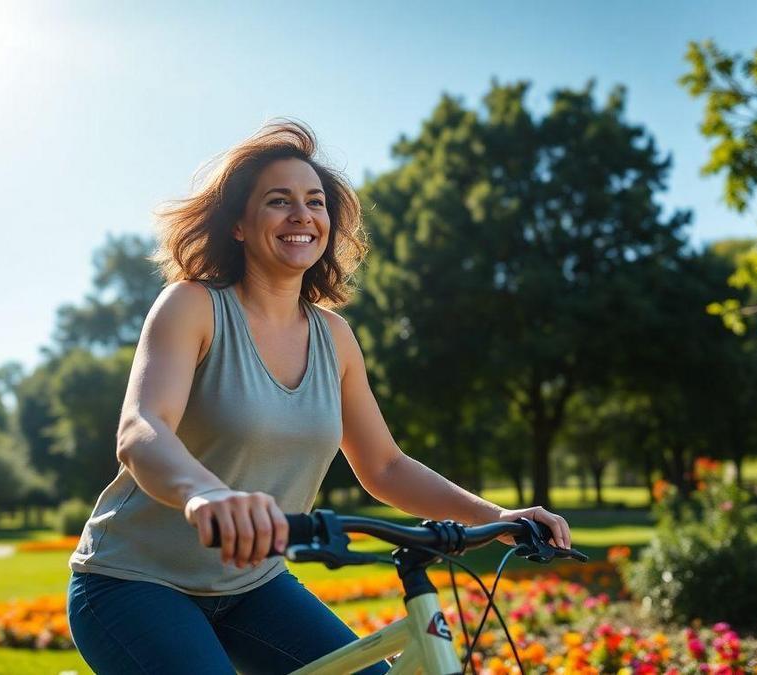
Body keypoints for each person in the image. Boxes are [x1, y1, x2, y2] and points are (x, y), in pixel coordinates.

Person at [65, 119, 573, 674]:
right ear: (238, 223)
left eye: (315, 201)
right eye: (278, 201)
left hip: (254, 584)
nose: (301, 215)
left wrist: (495, 517)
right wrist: (204, 495)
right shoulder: (192, 306)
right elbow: (143, 429)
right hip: (132, 583)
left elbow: (384, 464)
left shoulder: (335, 338)